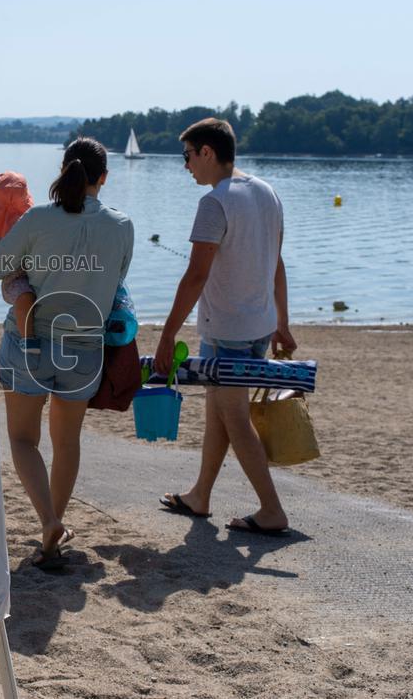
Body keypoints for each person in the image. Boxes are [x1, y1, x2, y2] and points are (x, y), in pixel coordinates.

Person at [0, 138, 134, 569]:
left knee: (23, 439)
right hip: (85, 347)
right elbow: (117, 280)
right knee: (67, 443)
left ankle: (48, 520)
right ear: (103, 178)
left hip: (30, 342)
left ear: (64, 169)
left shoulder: (35, 219)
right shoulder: (122, 225)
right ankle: (54, 534)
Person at [154, 117, 296, 535]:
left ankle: (271, 509)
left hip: (229, 329)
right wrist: (282, 322)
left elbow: (195, 275)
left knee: (233, 418)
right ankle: (201, 494)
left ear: (207, 153)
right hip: (258, 327)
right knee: (217, 412)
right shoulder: (267, 192)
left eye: (188, 156)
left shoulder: (214, 202)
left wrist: (166, 335)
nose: (186, 167)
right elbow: (277, 262)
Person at [0, 171, 38, 352]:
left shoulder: (34, 223)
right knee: (24, 297)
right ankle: (28, 339)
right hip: (14, 280)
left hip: (38, 273)